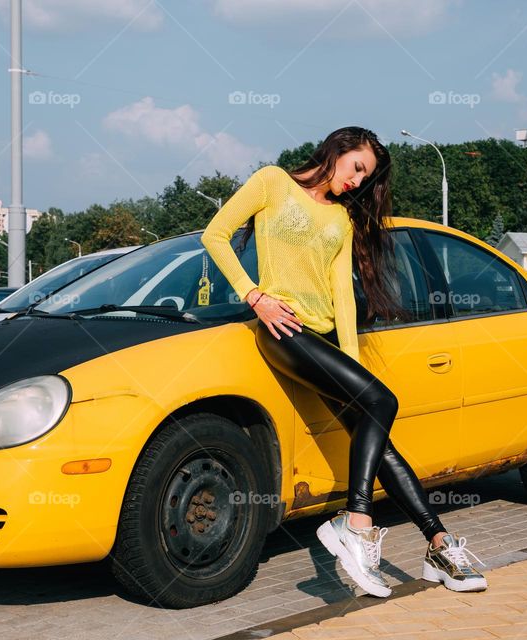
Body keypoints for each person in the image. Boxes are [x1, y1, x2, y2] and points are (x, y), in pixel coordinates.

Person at [200, 126, 487, 597]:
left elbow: (344, 299)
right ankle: (356, 524)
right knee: (383, 402)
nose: (357, 182)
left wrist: (353, 366)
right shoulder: (272, 182)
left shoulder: (342, 219)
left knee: (380, 435)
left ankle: (439, 545)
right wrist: (256, 298)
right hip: (285, 330)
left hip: (328, 341)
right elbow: (216, 236)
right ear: (339, 148)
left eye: (365, 178)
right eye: (357, 168)